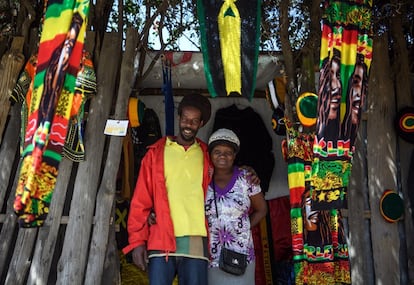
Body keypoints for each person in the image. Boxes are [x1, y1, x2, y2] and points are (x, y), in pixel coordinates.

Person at [123, 94, 258, 285]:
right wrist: (137, 242)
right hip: (161, 239)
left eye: (194, 121)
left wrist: (246, 171)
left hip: (197, 243)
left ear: (201, 124)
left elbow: (226, 168)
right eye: (185, 119)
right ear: (179, 117)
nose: (188, 124)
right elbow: (140, 200)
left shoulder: (206, 155)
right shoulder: (156, 153)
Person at [205, 128, 267, 285]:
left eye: (228, 152)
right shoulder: (203, 179)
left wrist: (243, 227)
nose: (223, 156)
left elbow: (261, 209)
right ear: (210, 154)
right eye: (217, 151)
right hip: (212, 255)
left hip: (241, 253)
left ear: (234, 155)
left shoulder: (246, 178)